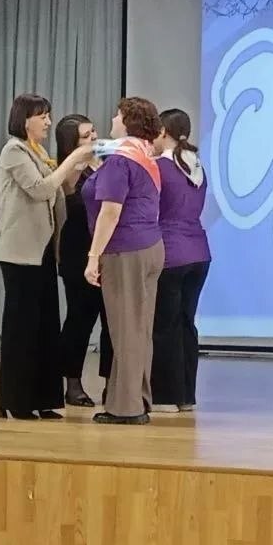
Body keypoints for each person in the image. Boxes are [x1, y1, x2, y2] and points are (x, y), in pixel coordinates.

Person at [0, 94, 94, 420]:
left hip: (44, 250)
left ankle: (45, 399)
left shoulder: (37, 152)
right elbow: (40, 189)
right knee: (22, 327)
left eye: (49, 115)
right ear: (25, 120)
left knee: (45, 325)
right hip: (20, 253)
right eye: (42, 116)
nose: (48, 122)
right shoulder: (14, 151)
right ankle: (16, 400)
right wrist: (72, 159)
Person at [84, 97, 164, 425]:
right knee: (140, 328)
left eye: (117, 115)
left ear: (129, 121)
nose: (113, 119)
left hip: (124, 249)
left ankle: (127, 408)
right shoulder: (146, 155)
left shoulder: (120, 160)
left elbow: (111, 211)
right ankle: (135, 398)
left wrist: (93, 256)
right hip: (150, 246)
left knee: (126, 330)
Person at [150, 109, 211, 413]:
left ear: (163, 132)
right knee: (186, 323)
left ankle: (165, 396)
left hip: (170, 253)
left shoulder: (159, 166)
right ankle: (186, 395)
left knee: (165, 325)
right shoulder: (197, 166)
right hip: (199, 252)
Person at [54, 114, 112, 407]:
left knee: (112, 321)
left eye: (94, 132)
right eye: (86, 135)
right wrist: (81, 156)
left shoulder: (108, 162)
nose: (94, 138)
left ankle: (111, 383)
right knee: (80, 318)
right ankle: (72, 382)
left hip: (109, 248)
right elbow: (67, 188)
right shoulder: (69, 169)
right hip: (78, 248)